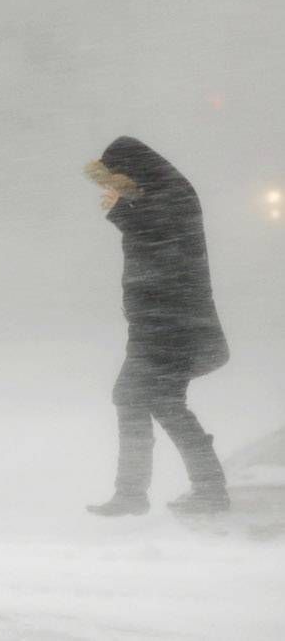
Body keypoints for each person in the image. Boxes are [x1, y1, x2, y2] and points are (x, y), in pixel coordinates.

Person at [84, 137, 230, 516]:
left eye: (115, 179)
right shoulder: (157, 194)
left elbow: (161, 237)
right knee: (137, 398)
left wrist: (121, 210)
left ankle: (204, 490)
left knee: (159, 401)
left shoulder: (173, 194)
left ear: (133, 169)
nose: (112, 188)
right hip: (155, 324)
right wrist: (126, 207)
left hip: (175, 325)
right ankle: (138, 493)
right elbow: (149, 233)